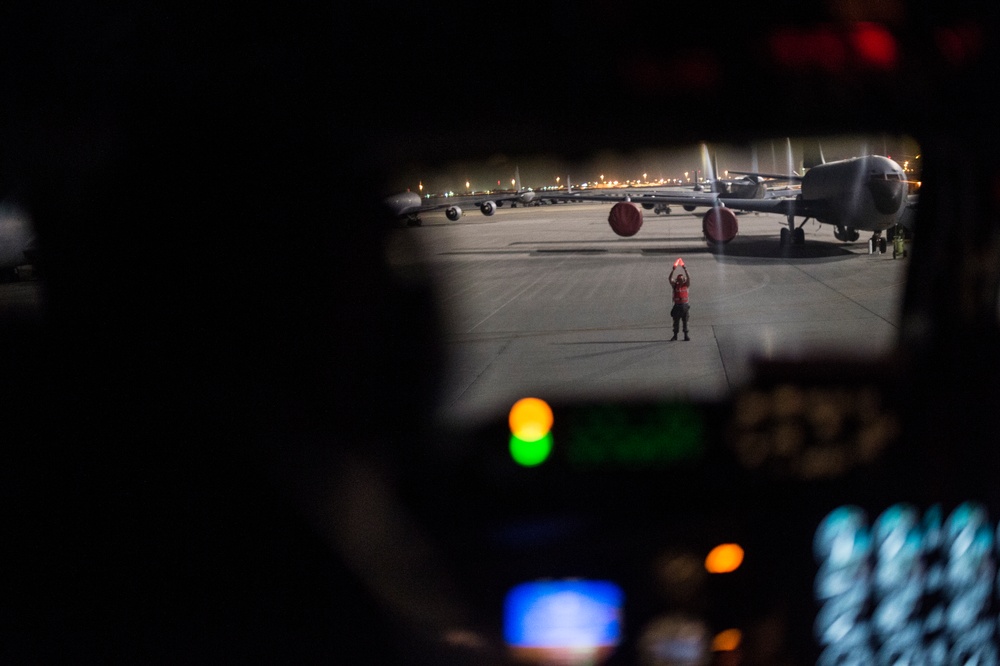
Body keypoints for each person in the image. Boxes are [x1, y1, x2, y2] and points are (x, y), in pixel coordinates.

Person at [669, 263, 691, 341]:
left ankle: (686, 335)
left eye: (682, 278)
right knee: (676, 322)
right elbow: (670, 279)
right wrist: (673, 270)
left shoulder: (686, 285)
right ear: (677, 280)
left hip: (684, 306)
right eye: (679, 279)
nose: (681, 280)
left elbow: (688, 277)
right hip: (677, 306)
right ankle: (675, 335)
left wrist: (685, 269)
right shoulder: (675, 285)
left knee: (685, 321)